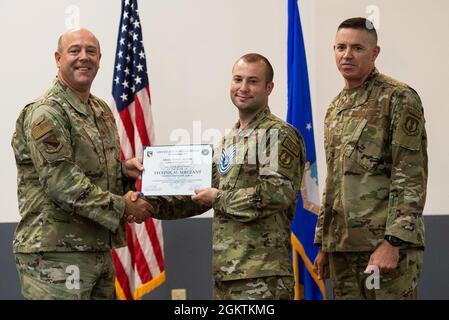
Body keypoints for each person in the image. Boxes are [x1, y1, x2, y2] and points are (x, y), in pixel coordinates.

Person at [143, 53, 305, 299]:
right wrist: (150, 205)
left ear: (269, 87)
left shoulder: (278, 135)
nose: (243, 88)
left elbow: (277, 194)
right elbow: (198, 194)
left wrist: (218, 198)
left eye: (253, 81)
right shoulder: (229, 140)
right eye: (237, 79)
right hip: (226, 273)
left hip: (262, 275)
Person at [11, 28, 152, 300]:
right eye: (75, 50)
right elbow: (62, 183)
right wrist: (124, 205)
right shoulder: (46, 112)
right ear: (58, 58)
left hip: (96, 248)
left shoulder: (100, 110)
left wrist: (124, 170)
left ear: (100, 58)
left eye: (91, 51)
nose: (83, 57)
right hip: (55, 255)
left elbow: (95, 173)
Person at [313, 17, 427, 300]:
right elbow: (334, 181)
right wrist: (325, 243)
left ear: (375, 53)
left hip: (383, 247)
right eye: (341, 47)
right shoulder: (335, 108)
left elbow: (410, 174)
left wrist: (394, 241)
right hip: (343, 249)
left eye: (357, 48)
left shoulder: (398, 98)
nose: (347, 55)